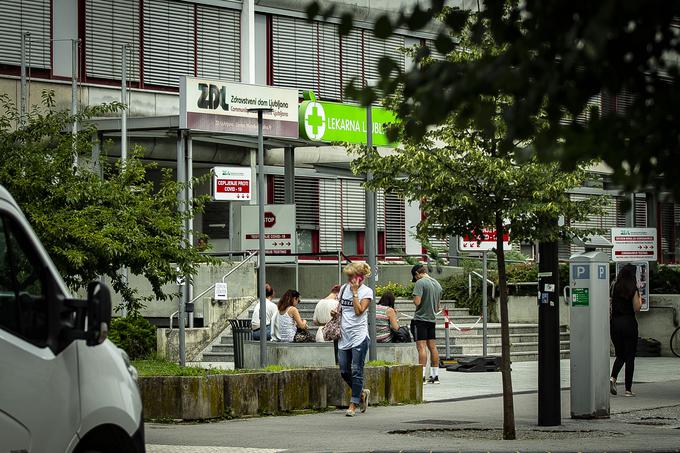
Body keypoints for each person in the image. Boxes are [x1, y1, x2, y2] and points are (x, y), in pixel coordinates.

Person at [336, 262, 373, 417]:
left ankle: (353, 403)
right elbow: (341, 309)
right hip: (344, 336)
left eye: (352, 276)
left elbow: (358, 312)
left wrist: (355, 292)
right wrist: (335, 313)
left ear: (360, 277)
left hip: (359, 336)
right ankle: (362, 393)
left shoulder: (366, 292)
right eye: (348, 276)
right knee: (344, 370)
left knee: (357, 370)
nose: (349, 279)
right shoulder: (343, 289)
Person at [610, 264, 642, 397]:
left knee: (620, 354)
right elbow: (637, 308)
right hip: (629, 323)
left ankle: (612, 378)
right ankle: (628, 390)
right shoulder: (633, 289)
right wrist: (639, 297)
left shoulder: (614, 286)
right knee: (630, 356)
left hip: (615, 324)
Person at [410, 263, 443, 384]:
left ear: (417, 274)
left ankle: (422, 377)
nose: (416, 279)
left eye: (415, 277)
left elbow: (417, 302)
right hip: (432, 320)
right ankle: (435, 376)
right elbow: (438, 306)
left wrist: (415, 298)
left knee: (421, 348)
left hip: (420, 319)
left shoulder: (420, 283)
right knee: (433, 348)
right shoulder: (437, 283)